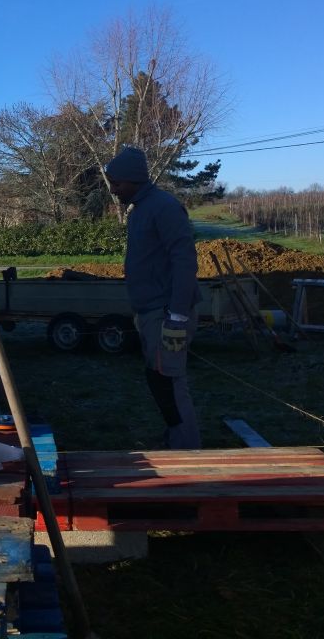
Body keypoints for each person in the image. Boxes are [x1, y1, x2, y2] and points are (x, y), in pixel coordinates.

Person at [105, 145, 203, 449]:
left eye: (117, 183)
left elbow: (184, 261)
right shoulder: (139, 210)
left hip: (166, 314)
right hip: (150, 312)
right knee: (157, 379)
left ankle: (187, 451)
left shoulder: (165, 207)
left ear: (134, 180)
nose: (113, 190)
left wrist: (177, 316)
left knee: (169, 382)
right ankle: (175, 437)